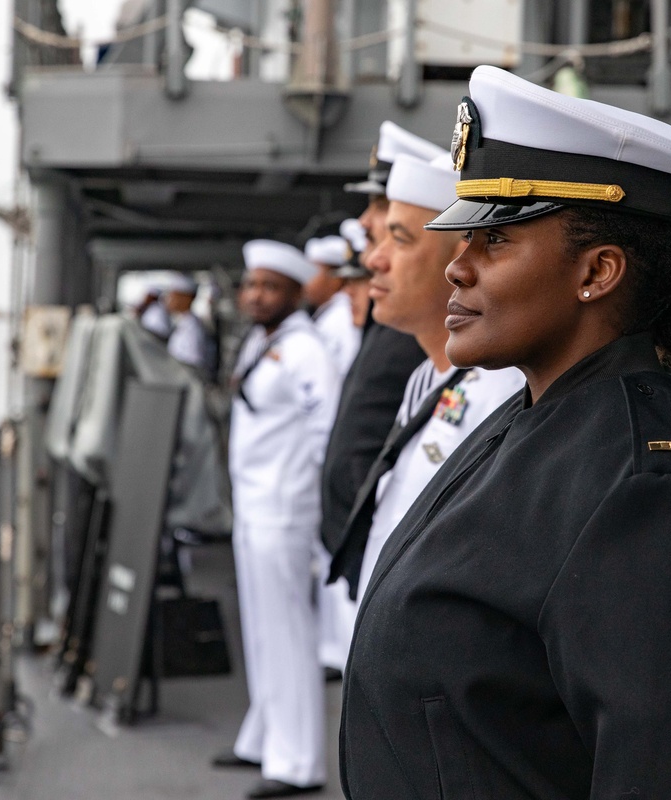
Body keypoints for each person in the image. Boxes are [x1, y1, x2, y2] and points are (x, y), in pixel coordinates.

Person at [340, 66, 671, 799]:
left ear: (598, 271)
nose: (458, 267)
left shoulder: (638, 488)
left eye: (495, 241)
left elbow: (670, 776)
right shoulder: (544, 414)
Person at [327, 152, 523, 602]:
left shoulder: (501, 391)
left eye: (399, 239)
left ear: (458, 259)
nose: (373, 260)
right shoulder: (427, 376)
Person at [219, 240, 340, 799]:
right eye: (251, 285)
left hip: (284, 506)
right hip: (253, 504)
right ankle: (263, 736)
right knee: (262, 628)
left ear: (295, 293)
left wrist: (310, 504)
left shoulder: (305, 349)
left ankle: (296, 762)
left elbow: (325, 430)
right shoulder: (261, 341)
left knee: (288, 631)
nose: (256, 295)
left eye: (270, 286)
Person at [320, 122, 442, 562]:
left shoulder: (477, 376)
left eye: (399, 231)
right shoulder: (427, 366)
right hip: (361, 549)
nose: (365, 228)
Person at [304, 235, 362, 376]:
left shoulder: (343, 315)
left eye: (312, 272)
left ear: (336, 278)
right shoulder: (329, 312)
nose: (305, 279)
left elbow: (346, 368)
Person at [164, 272, 211, 374]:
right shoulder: (183, 322)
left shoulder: (193, 329)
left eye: (173, 295)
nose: (168, 299)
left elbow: (193, 368)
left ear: (186, 298)